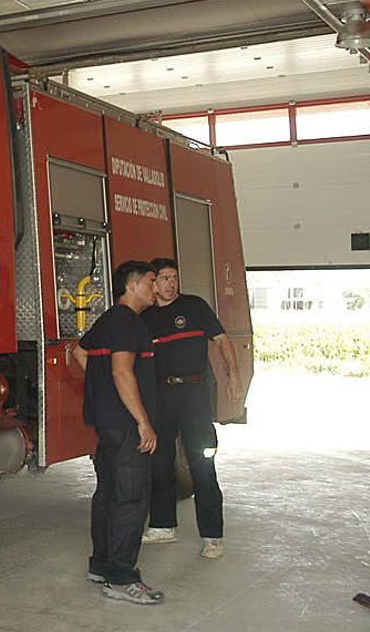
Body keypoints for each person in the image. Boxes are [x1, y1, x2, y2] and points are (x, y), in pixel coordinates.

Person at [71, 261, 164, 605]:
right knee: (132, 499)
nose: (156, 288)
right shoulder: (127, 321)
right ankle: (122, 579)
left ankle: (102, 565)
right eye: (152, 282)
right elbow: (122, 372)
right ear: (133, 284)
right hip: (126, 426)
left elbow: (79, 351)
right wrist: (143, 420)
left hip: (108, 423)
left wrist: (104, 391)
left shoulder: (110, 318)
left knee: (108, 494)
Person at [140, 257, 243, 559]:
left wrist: (232, 376)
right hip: (161, 396)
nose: (171, 283)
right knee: (159, 461)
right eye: (165, 278)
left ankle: (212, 536)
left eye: (175, 277)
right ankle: (162, 526)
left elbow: (222, 341)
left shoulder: (194, 307)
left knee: (202, 462)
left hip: (194, 394)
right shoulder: (144, 318)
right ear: (153, 282)